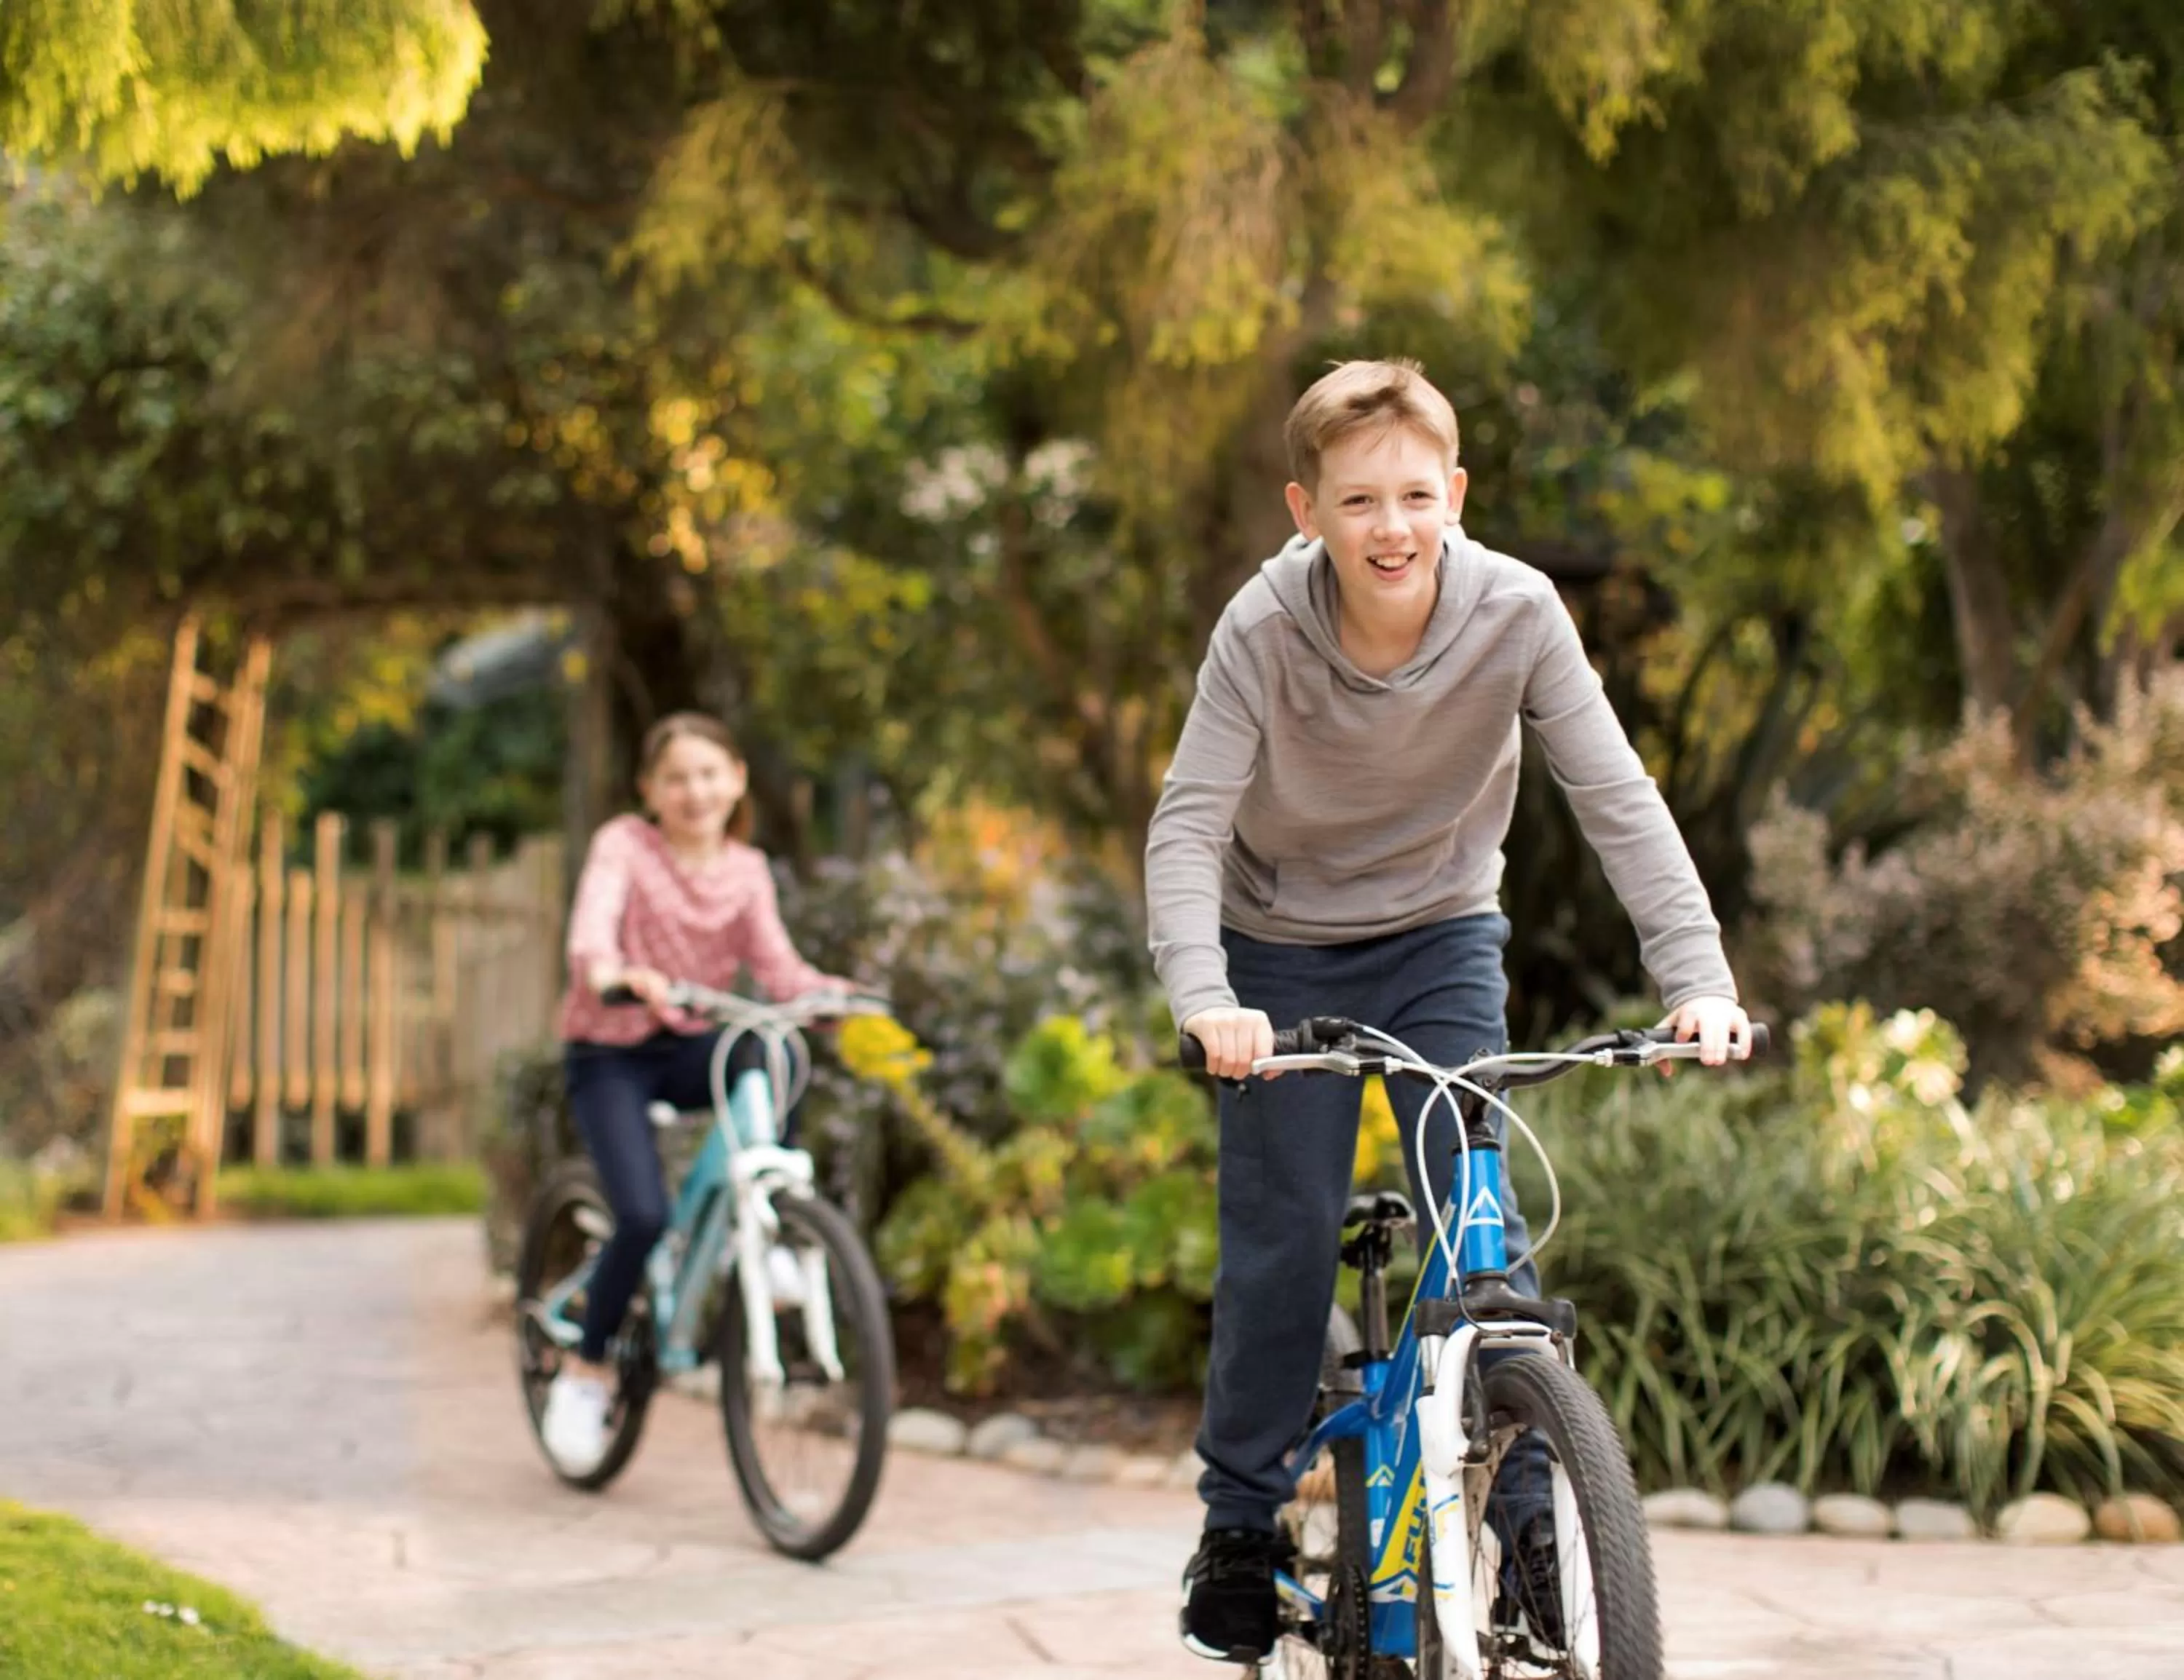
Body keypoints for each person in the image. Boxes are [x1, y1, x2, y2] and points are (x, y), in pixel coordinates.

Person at [1145, 359, 1752, 1663]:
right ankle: (1240, 1523)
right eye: (1359, 500)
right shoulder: (1262, 629)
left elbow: (1618, 798)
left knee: (1482, 1240)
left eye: (1417, 495)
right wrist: (1209, 999)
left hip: (1440, 938)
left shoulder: (1516, 612)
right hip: (1280, 953)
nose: (1392, 527)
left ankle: (1533, 1527)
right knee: (1283, 1240)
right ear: (1306, 509)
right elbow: (1187, 826)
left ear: (1457, 494)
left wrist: (1697, 978)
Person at [538, 710, 850, 1475]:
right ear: (649, 790)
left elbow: (778, 970)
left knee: (774, 1043)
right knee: (643, 1215)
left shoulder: (747, 870)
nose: (695, 791)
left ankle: (769, 1221)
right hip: (610, 1052)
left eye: (709, 774)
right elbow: (591, 934)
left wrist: (831, 995)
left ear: (737, 779)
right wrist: (613, 971)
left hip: (685, 1046)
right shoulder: (624, 845)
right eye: (676, 778)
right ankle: (586, 1369)